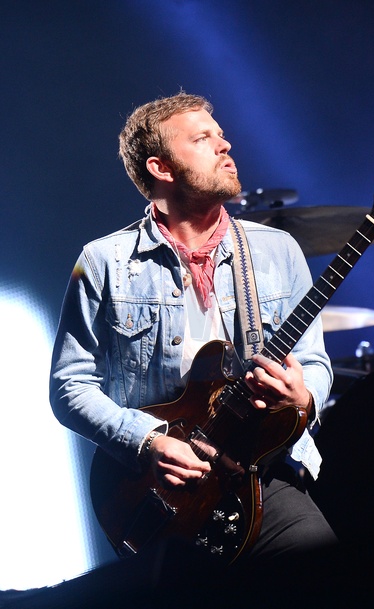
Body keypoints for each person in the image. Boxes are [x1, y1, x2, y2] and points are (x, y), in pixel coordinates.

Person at [49, 92, 337, 595]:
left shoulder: (277, 251)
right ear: (160, 167)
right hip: (161, 487)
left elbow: (312, 360)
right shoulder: (102, 262)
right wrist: (146, 442)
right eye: (203, 138)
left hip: (262, 470)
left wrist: (304, 395)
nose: (225, 145)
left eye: (221, 135)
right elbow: (69, 386)